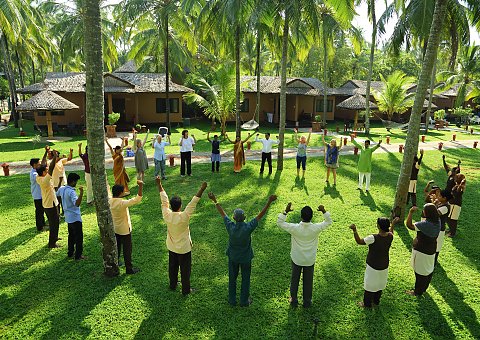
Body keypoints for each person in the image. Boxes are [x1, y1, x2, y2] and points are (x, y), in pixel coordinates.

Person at [208, 192, 277, 307]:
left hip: (233, 257)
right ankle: (244, 301)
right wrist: (269, 201)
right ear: (244, 218)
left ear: (234, 218)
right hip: (246, 258)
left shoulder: (230, 226)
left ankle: (232, 300)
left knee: (232, 278)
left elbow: (222, 213)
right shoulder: (248, 227)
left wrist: (214, 200)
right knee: (245, 279)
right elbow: (260, 215)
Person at [156, 177, 207, 295]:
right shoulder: (184, 216)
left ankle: (173, 285)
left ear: (172, 206)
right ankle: (186, 290)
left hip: (172, 247)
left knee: (172, 267)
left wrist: (159, 185)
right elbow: (193, 202)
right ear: (180, 205)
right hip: (184, 248)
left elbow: (164, 201)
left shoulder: (167, 215)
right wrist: (202, 189)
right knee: (185, 270)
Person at [277, 202, 333, 308]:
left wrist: (285, 211)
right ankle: (307, 301)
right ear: (311, 217)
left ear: (301, 216)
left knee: (294, 279)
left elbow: (280, 223)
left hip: (296, 259)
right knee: (308, 281)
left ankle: (293, 299)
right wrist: (323, 210)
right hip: (309, 260)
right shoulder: (315, 228)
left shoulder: (295, 228)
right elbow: (328, 222)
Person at [350, 217, 399, 308]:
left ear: (378, 226)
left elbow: (359, 241)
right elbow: (391, 232)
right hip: (384, 265)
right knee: (380, 284)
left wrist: (354, 230)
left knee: (369, 285)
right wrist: (393, 224)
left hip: (373, 266)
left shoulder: (373, 238)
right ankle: (376, 301)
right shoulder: (390, 236)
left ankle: (367, 304)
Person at [405, 204, 440, 296]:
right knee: (427, 270)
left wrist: (410, 213)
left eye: (424, 210)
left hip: (422, 251)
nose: (423, 211)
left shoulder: (425, 225)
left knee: (420, 273)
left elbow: (409, 225)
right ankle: (423, 289)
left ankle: (417, 292)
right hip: (431, 250)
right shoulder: (438, 221)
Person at [109, 180, 144, 274]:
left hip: (115, 229)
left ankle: (116, 263)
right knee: (127, 250)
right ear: (120, 193)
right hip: (125, 230)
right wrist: (140, 186)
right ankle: (129, 269)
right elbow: (137, 199)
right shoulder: (122, 203)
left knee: (117, 248)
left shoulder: (109, 201)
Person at [57, 173, 85, 260]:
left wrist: (59, 182)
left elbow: (56, 193)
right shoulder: (72, 192)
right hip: (75, 217)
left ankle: (70, 252)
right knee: (79, 237)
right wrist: (81, 193)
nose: (76, 183)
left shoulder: (62, 189)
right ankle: (78, 255)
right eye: (76, 181)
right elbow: (77, 204)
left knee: (71, 236)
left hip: (68, 217)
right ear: (73, 181)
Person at [36, 154, 61, 248]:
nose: (47, 171)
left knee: (56, 221)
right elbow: (51, 168)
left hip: (52, 203)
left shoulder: (39, 177)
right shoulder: (45, 180)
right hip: (50, 205)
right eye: (45, 170)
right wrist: (54, 156)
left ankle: (55, 237)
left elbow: (44, 164)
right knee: (53, 224)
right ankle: (52, 243)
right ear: (43, 173)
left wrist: (46, 154)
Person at [52, 148, 73, 216]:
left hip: (63, 183)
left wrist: (71, 152)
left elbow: (69, 158)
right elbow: (55, 161)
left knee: (63, 199)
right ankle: (57, 213)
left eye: (57, 155)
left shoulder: (61, 161)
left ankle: (64, 212)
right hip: (55, 184)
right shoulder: (51, 162)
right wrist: (60, 157)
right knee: (57, 199)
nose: (57, 157)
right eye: (56, 155)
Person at [433, 190, 451, 263]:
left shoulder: (445, 207)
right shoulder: (441, 203)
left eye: (440, 196)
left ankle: (434, 261)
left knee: (437, 246)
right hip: (435, 227)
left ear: (444, 198)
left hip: (440, 229)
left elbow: (434, 214)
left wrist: (433, 204)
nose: (438, 197)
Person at [30, 157, 46, 231]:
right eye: (38, 163)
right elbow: (40, 177)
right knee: (39, 211)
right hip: (37, 195)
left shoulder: (36, 171)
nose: (40, 164)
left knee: (41, 210)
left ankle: (43, 224)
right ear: (34, 164)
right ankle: (40, 227)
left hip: (40, 194)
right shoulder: (34, 173)